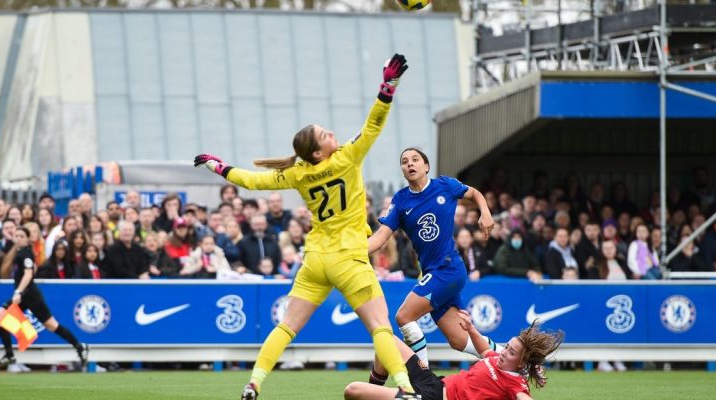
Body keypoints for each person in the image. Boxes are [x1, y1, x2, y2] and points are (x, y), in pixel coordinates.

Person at [194, 53, 419, 399]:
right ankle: (404, 389)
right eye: (325, 134)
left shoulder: (298, 174)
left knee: (286, 327)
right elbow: (374, 124)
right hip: (349, 258)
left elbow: (252, 182)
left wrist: (218, 167)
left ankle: (254, 382)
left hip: (316, 259)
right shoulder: (347, 158)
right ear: (318, 152)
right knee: (380, 328)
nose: (332, 133)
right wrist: (388, 86)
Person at [368, 147, 497, 368]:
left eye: (415, 159)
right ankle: (515, 363)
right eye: (404, 161)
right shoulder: (400, 201)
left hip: (447, 269)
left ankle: (423, 380)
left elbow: (474, 193)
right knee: (459, 341)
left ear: (426, 166)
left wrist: (485, 212)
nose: (410, 164)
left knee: (403, 317)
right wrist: (349, 252)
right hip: (433, 273)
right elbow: (380, 238)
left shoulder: (445, 185)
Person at [344, 310, 564, 400]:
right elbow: (484, 350)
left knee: (352, 391)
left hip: (433, 399)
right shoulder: (497, 359)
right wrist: (470, 329)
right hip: (434, 382)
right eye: (507, 347)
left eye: (511, 351)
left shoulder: (515, 384)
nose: (504, 352)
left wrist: (532, 372)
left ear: (522, 362)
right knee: (386, 340)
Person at [0, 227, 88, 372]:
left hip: (29, 294)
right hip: (25, 295)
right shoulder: (22, 253)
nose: (18, 238)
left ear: (27, 239)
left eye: (21, 236)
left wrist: (18, 291)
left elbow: (28, 273)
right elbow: (33, 269)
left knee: (51, 325)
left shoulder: (26, 253)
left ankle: (79, 346)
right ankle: (10, 354)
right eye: (16, 235)